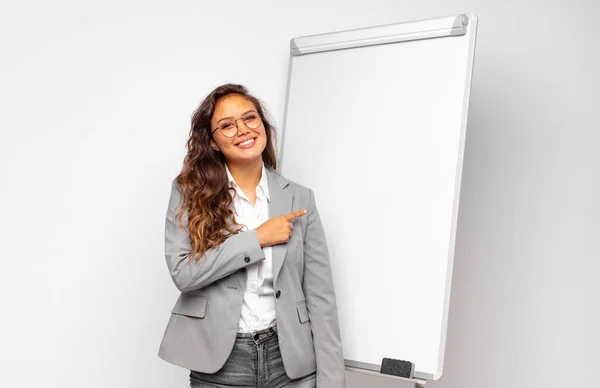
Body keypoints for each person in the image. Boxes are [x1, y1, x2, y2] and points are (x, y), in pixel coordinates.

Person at [158, 83, 347, 388]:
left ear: (262, 124)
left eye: (250, 118)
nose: (243, 130)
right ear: (214, 142)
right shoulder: (189, 193)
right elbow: (184, 273)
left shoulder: (300, 197)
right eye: (227, 125)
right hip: (222, 362)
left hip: (291, 362)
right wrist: (256, 238)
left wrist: (333, 381)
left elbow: (321, 296)